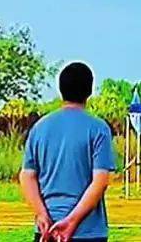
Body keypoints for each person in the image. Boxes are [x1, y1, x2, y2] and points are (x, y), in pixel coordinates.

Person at [19, 63, 115, 242]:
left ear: (60, 88)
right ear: (90, 90)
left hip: (47, 231)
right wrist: (72, 221)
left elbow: (27, 176)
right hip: (87, 232)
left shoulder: (39, 128)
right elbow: (100, 181)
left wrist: (41, 215)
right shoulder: (98, 129)